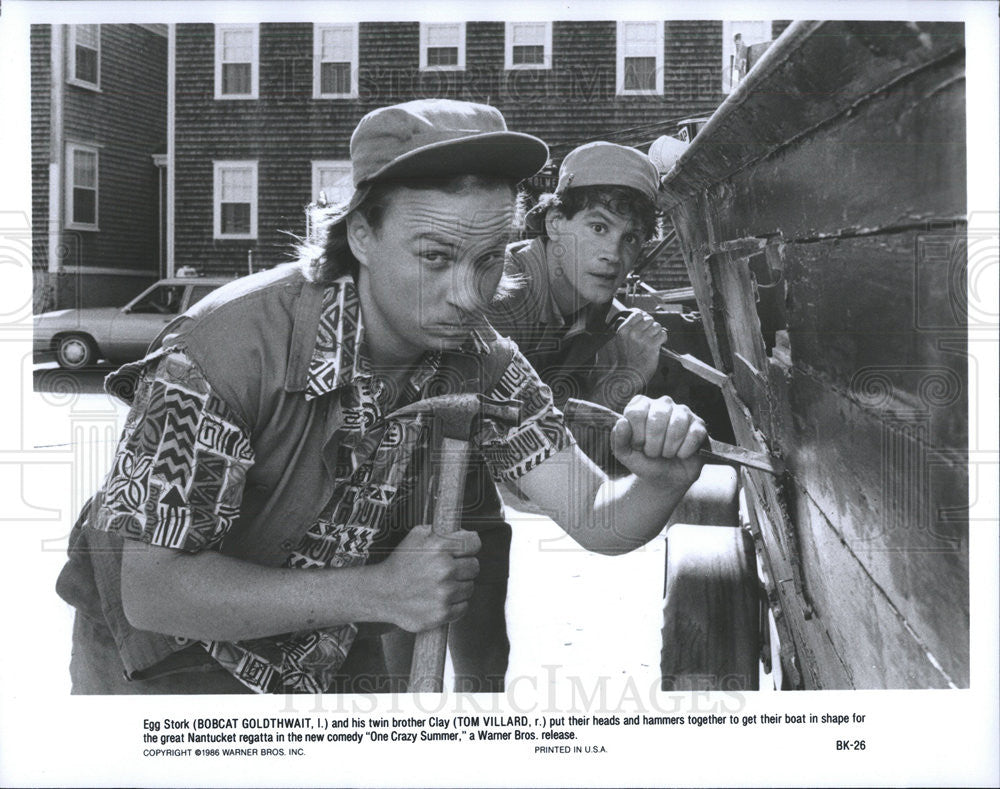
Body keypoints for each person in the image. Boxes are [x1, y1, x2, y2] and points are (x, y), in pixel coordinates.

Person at [56, 99, 708, 695]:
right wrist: (382, 590)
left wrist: (657, 483)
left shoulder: (477, 359)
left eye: (486, 260)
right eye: (434, 257)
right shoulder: (222, 350)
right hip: (158, 655)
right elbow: (153, 588)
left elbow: (595, 512)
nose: (467, 294)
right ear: (362, 234)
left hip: (323, 646)